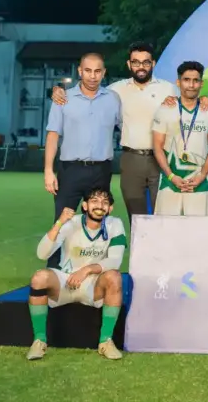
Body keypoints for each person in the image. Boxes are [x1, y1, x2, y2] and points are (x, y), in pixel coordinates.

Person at [51, 42, 177, 219]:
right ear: (129, 64)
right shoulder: (115, 91)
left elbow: (189, 103)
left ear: (153, 63)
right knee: (136, 216)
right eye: (136, 62)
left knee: (165, 214)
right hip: (131, 158)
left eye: (146, 62)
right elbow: (90, 92)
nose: (141, 66)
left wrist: (204, 101)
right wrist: (57, 90)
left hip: (163, 157)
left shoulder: (169, 89)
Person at [25, 187, 127, 361]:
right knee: (39, 278)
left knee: (114, 277)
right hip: (66, 281)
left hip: (93, 286)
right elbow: (42, 254)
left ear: (110, 208)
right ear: (85, 206)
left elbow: (115, 261)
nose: (99, 206)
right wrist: (59, 223)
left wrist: (86, 270)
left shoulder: (115, 224)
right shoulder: (71, 223)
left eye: (104, 202)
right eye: (94, 201)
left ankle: (106, 341)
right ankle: (39, 341)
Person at [44, 53, 121, 266]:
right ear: (80, 71)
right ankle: (53, 273)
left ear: (104, 73)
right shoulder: (63, 99)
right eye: (88, 70)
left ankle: (93, 272)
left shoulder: (113, 99)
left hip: (101, 170)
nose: (92, 76)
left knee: (98, 223)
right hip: (70, 170)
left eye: (97, 71)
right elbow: (52, 135)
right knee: (62, 222)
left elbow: (127, 125)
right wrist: (48, 170)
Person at [151, 61, 208, 216]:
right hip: (170, 182)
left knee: (199, 229)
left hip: (199, 182)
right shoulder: (165, 109)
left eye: (196, 80)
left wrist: (202, 175)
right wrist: (171, 176)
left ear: (201, 84)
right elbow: (157, 147)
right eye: (186, 80)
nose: (191, 85)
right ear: (178, 82)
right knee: (166, 228)